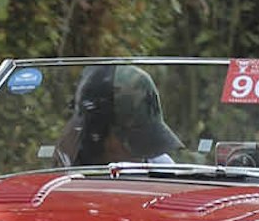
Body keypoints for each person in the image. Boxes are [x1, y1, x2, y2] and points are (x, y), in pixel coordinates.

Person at [59, 62, 189, 167]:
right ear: (97, 134)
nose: (143, 155)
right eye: (135, 141)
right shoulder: (65, 177)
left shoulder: (159, 167)